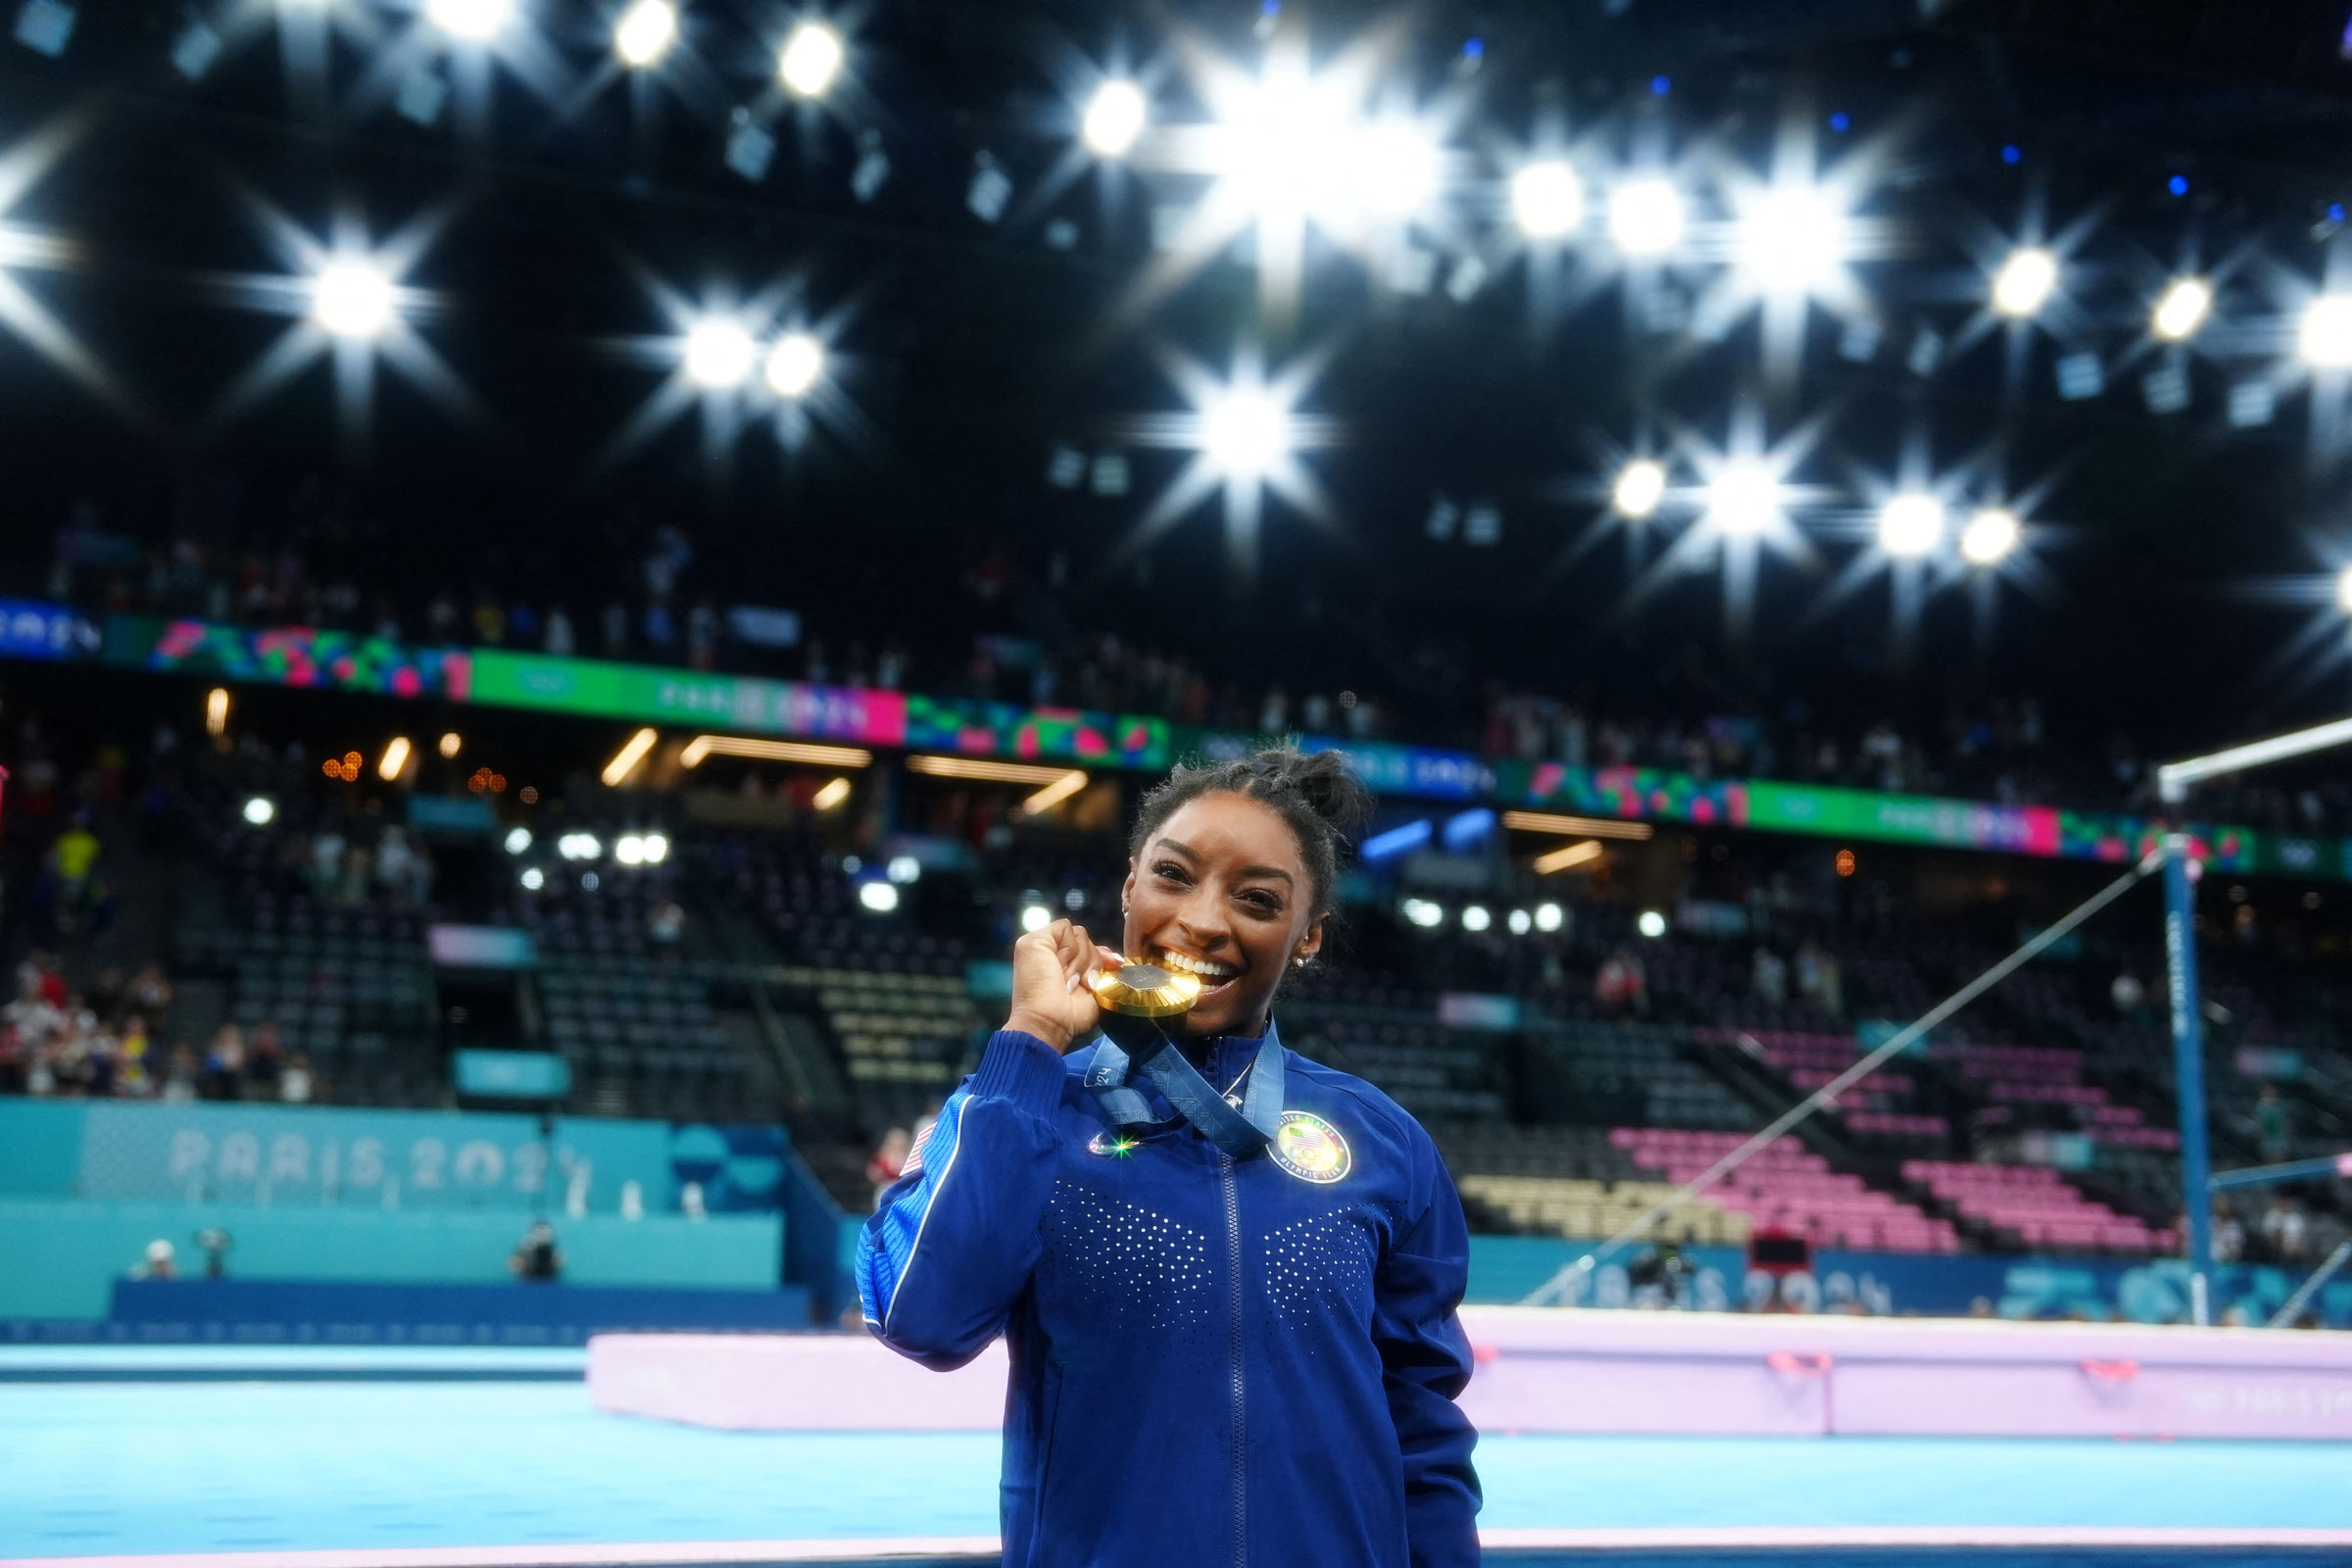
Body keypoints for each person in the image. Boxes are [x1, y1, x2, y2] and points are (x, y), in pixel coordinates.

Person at [858, 748, 1480, 1568]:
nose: (1205, 920)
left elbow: (1422, 1425)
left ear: (1306, 938)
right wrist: (1034, 1040)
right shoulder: (1028, 1108)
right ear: (1129, 889)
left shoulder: (1383, 1141)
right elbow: (922, 1319)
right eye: (1174, 875)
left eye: (1258, 899)